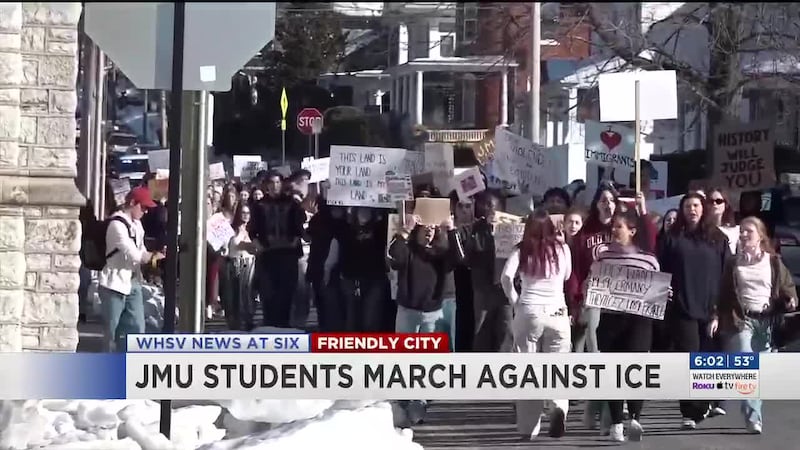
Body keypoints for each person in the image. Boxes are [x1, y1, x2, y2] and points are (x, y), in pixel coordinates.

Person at [710, 216, 797, 434]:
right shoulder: (733, 263)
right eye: (742, 232)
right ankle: (753, 417)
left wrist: (790, 298)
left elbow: (787, 285)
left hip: (767, 321)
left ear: (760, 236)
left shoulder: (773, 261)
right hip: (742, 319)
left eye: (749, 231)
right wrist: (715, 316)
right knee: (746, 363)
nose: (744, 235)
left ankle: (748, 407)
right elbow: (722, 295)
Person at [658, 192, 730, 429]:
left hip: (711, 310)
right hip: (682, 307)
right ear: (682, 210)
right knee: (688, 357)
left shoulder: (718, 239)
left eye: (696, 205)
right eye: (688, 206)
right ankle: (689, 411)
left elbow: (726, 275)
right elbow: (661, 268)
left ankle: (702, 402)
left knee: (706, 359)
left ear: (703, 208)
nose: (692, 210)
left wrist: (719, 311)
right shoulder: (673, 237)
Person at [501, 210, 572, 439]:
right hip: (557, 312)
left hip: (529, 311)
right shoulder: (563, 249)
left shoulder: (521, 250)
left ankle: (528, 428)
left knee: (528, 370)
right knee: (557, 367)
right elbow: (568, 276)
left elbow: (506, 277)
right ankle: (558, 406)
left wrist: (515, 300)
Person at [595, 209, 662, 441]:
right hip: (611, 319)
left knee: (636, 368)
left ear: (632, 231)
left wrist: (665, 293)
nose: (614, 230)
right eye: (613, 226)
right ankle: (615, 422)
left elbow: (657, 289)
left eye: (619, 227)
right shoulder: (603, 256)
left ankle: (635, 416)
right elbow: (593, 282)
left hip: (639, 321)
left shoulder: (648, 259)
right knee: (614, 370)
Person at [388, 214, 458, 424]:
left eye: (432, 228)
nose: (429, 231)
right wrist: (405, 231)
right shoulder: (407, 250)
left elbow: (458, 259)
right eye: (425, 228)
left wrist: (451, 231)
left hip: (431, 313)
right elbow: (394, 257)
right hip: (408, 310)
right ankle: (402, 397)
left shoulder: (440, 254)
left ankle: (419, 400)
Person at [98, 187, 164, 352]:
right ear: (133, 203)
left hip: (133, 281)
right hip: (113, 284)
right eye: (143, 207)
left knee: (136, 328)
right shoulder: (116, 225)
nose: (146, 212)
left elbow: (141, 251)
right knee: (112, 333)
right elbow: (135, 254)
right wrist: (154, 257)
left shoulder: (138, 225)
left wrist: (156, 255)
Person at [453, 190, 512, 352]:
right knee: (480, 331)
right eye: (484, 205)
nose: (488, 209)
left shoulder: (512, 228)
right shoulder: (476, 229)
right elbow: (467, 259)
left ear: (501, 207)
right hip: (482, 289)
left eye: (491, 205)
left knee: (505, 331)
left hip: (504, 291)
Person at [249, 170, 307, 328]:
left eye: (277, 182)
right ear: (267, 185)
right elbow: (252, 229)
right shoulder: (260, 205)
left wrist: (295, 240)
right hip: (268, 255)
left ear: (282, 184)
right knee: (268, 294)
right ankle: (270, 327)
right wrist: (258, 244)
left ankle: (284, 327)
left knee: (286, 294)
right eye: (271, 183)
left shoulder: (292, 203)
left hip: (287, 255)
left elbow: (299, 226)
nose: (275, 186)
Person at [325, 207, 389, 332]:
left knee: (371, 320)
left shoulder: (381, 230)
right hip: (350, 279)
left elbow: (387, 255)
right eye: (360, 210)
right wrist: (327, 272)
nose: (364, 213)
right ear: (355, 212)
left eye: (367, 210)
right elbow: (333, 254)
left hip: (374, 280)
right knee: (352, 319)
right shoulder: (343, 230)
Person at [219, 204, 259, 331]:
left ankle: (247, 320)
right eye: (243, 212)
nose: (246, 215)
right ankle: (234, 322)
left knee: (247, 294)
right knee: (233, 295)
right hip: (234, 264)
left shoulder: (252, 230)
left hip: (249, 264)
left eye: (248, 213)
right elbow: (225, 248)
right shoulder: (231, 229)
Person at [707, 187, 740, 254]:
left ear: (726, 204)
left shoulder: (736, 230)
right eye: (711, 201)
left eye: (718, 201)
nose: (714, 204)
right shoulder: (702, 229)